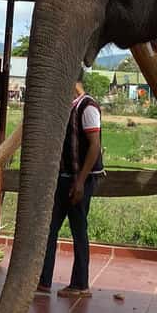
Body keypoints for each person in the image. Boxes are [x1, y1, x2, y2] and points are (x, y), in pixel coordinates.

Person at [36, 73, 104, 298]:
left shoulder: (88, 107)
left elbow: (94, 146)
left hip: (80, 179)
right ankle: (43, 280)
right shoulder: (68, 106)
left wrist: (81, 181)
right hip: (64, 177)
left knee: (78, 229)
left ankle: (80, 284)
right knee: (50, 228)